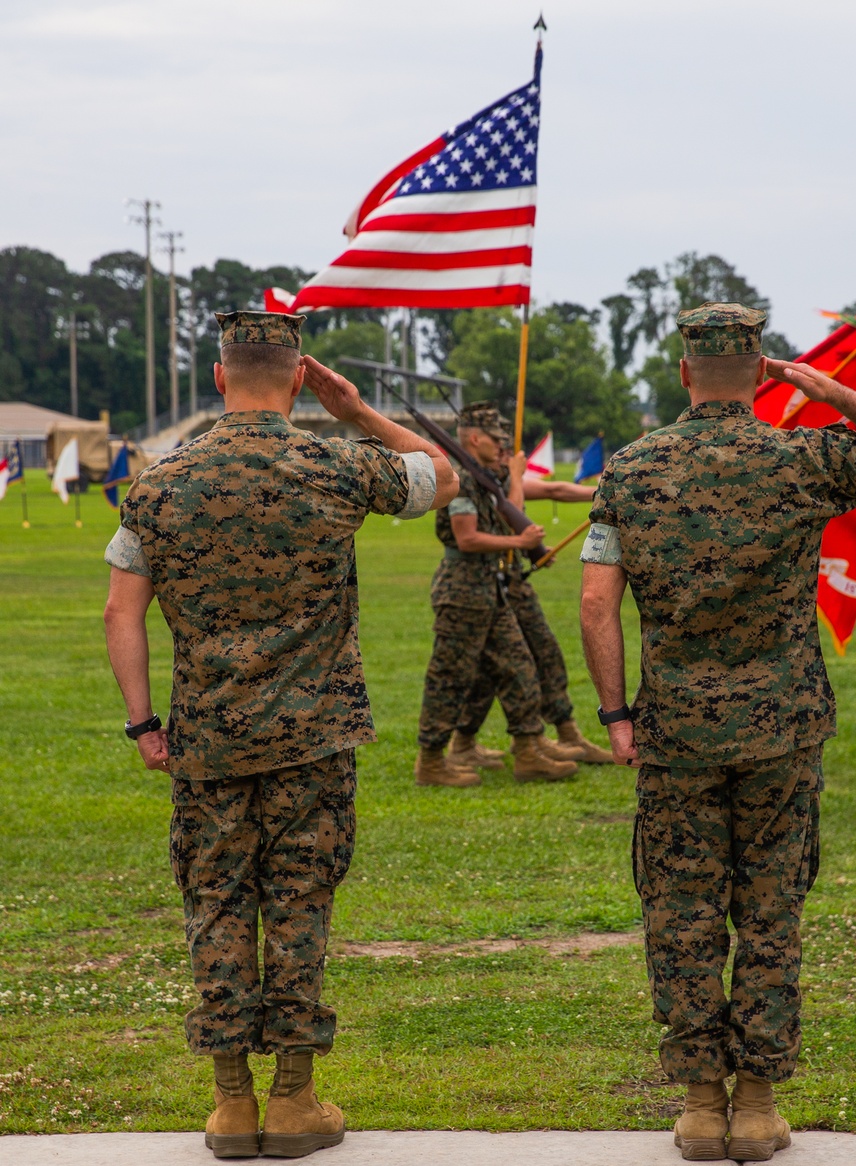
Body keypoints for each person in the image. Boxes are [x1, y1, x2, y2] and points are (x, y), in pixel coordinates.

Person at [578, 302, 856, 1162]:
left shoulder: (632, 470)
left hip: (673, 733)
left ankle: (703, 1107)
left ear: (683, 374)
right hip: (781, 729)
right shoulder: (804, 457)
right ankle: (757, 1105)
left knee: (683, 911)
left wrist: (616, 716)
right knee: (771, 911)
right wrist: (830, 391)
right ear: (760, 374)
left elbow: (598, 602)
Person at [103, 310, 457, 1160]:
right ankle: (294, 1099)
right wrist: (356, 410)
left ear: (219, 378)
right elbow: (443, 476)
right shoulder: (335, 463)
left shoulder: (158, 484)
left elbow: (123, 613)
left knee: (216, 903)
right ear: (299, 378)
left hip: (207, 737)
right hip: (315, 734)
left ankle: (231, 1105)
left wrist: (144, 723)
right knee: (300, 899)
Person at [416, 402, 578, 787]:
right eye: (496, 439)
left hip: (490, 588)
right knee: (450, 677)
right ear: (475, 439)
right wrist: (518, 540)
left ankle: (528, 753)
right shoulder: (459, 479)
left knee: (519, 667)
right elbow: (466, 537)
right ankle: (431, 762)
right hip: (462, 590)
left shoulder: (484, 477)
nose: (503, 445)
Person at [450, 437, 615, 768]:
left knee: (543, 654)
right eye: (497, 443)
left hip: (512, 583)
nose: (503, 450)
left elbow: (557, 491)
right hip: (487, 585)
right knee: (499, 668)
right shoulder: (477, 485)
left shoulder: (502, 481)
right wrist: (515, 478)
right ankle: (479, 743)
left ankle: (561, 735)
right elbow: (505, 518)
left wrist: (608, 492)